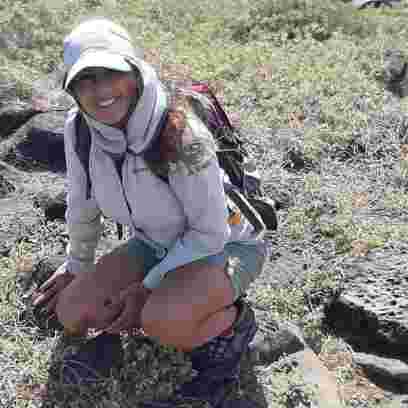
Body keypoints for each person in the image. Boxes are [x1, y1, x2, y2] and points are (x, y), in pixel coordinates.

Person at [32, 17, 267, 405]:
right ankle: (175, 301)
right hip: (155, 243)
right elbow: (82, 201)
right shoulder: (80, 128)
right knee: (74, 312)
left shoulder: (181, 132)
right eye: (86, 80)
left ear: (135, 72)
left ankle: (234, 324)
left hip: (225, 246)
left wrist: (147, 287)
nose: (102, 90)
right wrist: (76, 263)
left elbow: (209, 233)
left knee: (161, 322)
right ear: (72, 89)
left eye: (111, 73)